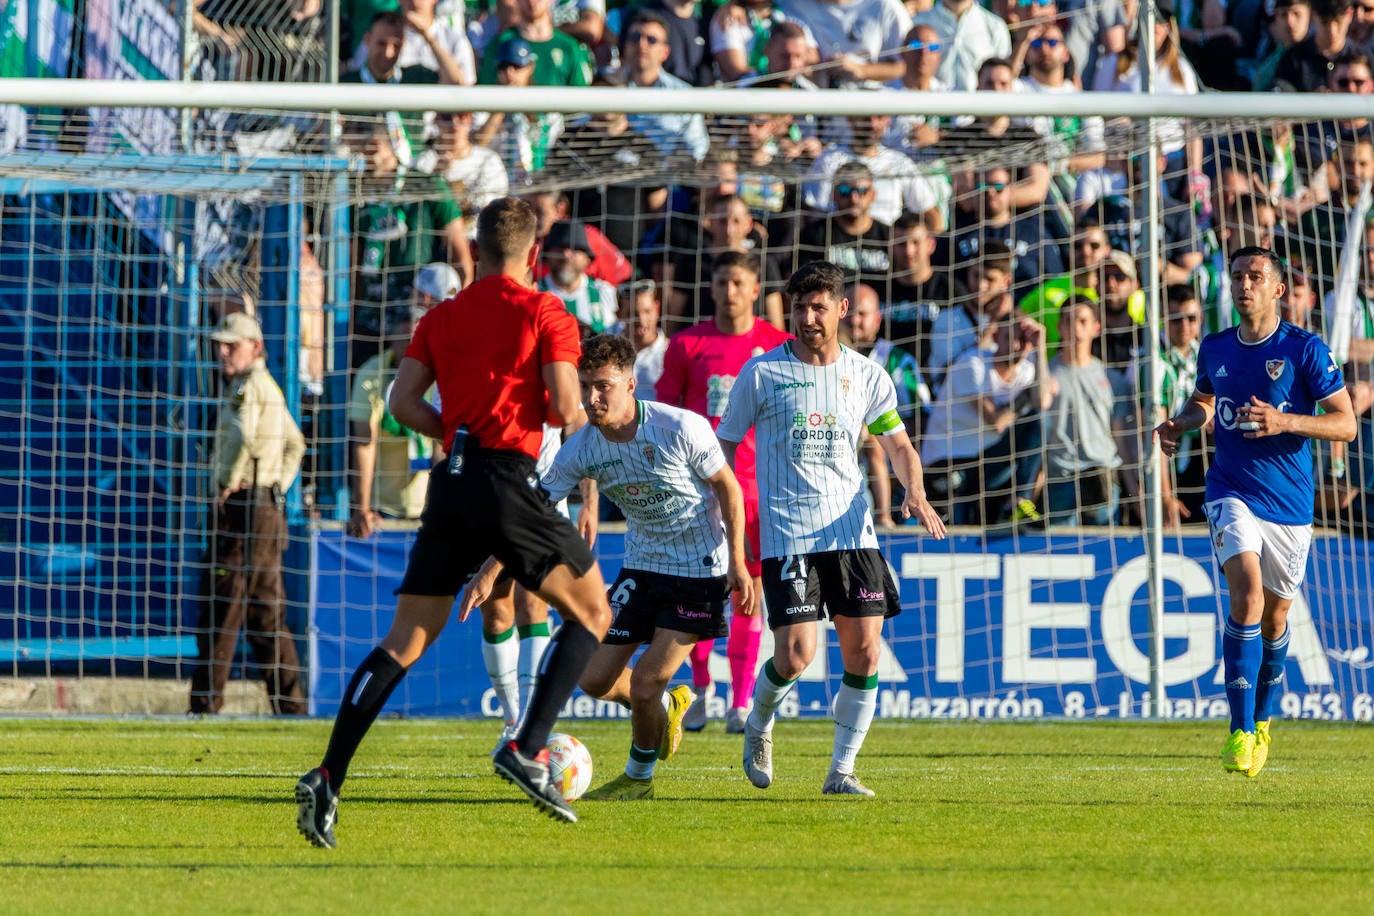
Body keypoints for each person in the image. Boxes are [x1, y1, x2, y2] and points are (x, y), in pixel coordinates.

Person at [295, 197, 613, 846]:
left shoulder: (441, 316)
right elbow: (564, 406)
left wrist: (454, 430)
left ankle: (329, 774)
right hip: (509, 479)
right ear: (534, 252)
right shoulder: (547, 312)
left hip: (451, 481)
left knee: (405, 638)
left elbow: (401, 402)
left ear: (476, 249)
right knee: (592, 612)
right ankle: (526, 746)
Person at [717, 260, 947, 797]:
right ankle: (759, 721)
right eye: (800, 307)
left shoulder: (867, 375)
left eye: (818, 307)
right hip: (789, 535)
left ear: (842, 309)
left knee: (865, 651)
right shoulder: (762, 373)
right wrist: (721, 511)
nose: (808, 318)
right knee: (795, 656)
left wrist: (913, 489)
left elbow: (898, 445)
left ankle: (841, 771)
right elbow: (722, 446)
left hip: (851, 533)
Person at [492, 334, 754, 800]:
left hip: (699, 572)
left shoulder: (680, 428)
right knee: (593, 678)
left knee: (647, 680)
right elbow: (536, 510)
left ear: (631, 385)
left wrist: (737, 559)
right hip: (642, 567)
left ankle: (638, 777)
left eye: (604, 386)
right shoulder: (582, 447)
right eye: (585, 385)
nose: (592, 397)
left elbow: (728, 488)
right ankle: (666, 706)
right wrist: (490, 570)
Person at [1155, 246, 1356, 778]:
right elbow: (1205, 402)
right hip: (1229, 489)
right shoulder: (1215, 346)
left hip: (1289, 503)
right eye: (1238, 276)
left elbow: (1345, 424)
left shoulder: (1305, 349)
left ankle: (1262, 720)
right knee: (1245, 594)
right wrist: (1180, 422)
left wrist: (1285, 421)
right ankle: (1240, 730)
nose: (1244, 284)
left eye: (1256, 276)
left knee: (1276, 617)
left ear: (1278, 289)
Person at [657, 250, 792, 732]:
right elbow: (665, 414)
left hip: (757, 491)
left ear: (756, 289)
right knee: (700, 593)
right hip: (698, 492)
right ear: (711, 288)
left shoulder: (780, 346)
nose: (729, 291)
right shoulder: (686, 344)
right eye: (721, 282)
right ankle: (700, 690)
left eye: (738, 282)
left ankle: (739, 702)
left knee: (747, 594)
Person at [190, 313, 307, 716]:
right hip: (265, 508)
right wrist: (278, 486)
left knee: (223, 603)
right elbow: (296, 443)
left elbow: (241, 435)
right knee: (265, 611)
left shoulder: (248, 388)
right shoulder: (268, 387)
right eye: (220, 345)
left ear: (256, 347)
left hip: (243, 507)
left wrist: (227, 480)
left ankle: (205, 703)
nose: (222, 352)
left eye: (232, 345)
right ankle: (291, 706)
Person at [347, 264, 460, 539]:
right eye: (405, 341)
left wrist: (442, 507)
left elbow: (443, 445)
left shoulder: (443, 372)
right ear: (392, 338)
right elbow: (364, 442)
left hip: (430, 508)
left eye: (417, 342)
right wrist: (362, 507)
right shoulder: (372, 374)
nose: (411, 350)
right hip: (383, 511)